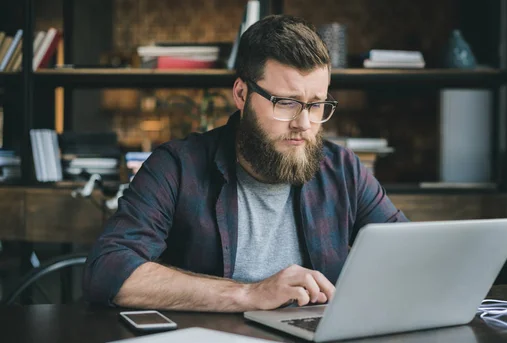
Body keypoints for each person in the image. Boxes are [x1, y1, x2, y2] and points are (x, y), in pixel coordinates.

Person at [82, 15, 408, 312]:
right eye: (287, 103)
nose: (304, 124)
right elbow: (108, 270)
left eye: (317, 105)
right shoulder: (177, 168)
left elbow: (412, 255)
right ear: (241, 94)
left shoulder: (342, 169)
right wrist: (249, 294)